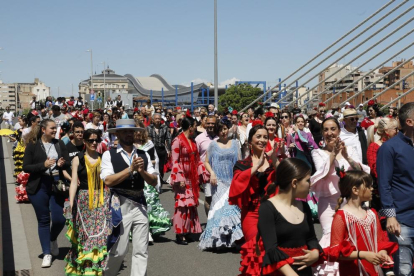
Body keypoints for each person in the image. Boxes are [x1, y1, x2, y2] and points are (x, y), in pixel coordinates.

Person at [311, 117, 370, 275]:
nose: (329, 133)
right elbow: (321, 174)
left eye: (333, 129)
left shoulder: (349, 150)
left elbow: (362, 172)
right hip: (328, 203)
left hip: (349, 203)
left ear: (339, 131)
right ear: (322, 133)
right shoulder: (317, 152)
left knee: (350, 239)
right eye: (326, 130)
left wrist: (346, 156)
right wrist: (333, 154)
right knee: (331, 236)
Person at [101, 119, 158, 276]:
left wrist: (141, 171)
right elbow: (108, 180)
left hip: (140, 203)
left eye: (131, 131)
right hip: (120, 204)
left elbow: (154, 181)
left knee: (141, 250)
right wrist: (130, 169)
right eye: (124, 131)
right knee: (119, 250)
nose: (128, 134)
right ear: (117, 134)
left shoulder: (143, 154)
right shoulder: (109, 154)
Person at [229, 124, 279, 275]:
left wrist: (275, 160)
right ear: (250, 141)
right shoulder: (242, 164)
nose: (263, 140)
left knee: (274, 253)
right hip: (251, 214)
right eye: (258, 136)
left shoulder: (272, 162)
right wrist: (255, 167)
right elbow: (236, 185)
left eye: (265, 137)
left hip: (272, 214)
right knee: (257, 249)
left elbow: (287, 180)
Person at [258, 158, 322, 276]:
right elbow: (271, 249)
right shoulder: (267, 208)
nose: (310, 184)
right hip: (281, 272)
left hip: (304, 271)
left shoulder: (304, 206)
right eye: (308, 180)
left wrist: (315, 252)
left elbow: (311, 238)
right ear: (294, 183)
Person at [328, 171, 397, 276]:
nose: (372, 189)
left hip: (374, 270)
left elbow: (380, 241)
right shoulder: (341, 217)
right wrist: (363, 255)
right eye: (368, 186)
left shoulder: (372, 213)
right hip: (353, 271)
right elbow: (336, 252)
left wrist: (382, 252)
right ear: (355, 190)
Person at [22, 119, 70, 268]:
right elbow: (26, 167)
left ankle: (52, 238)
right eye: (52, 128)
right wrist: (43, 165)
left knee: (59, 219)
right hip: (39, 186)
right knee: (43, 220)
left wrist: (62, 164)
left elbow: (67, 161)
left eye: (56, 128)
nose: (55, 130)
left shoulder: (59, 143)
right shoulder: (33, 145)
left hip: (56, 185)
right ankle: (47, 253)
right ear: (43, 129)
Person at [65, 129, 112, 275]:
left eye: (96, 140)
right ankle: (85, 268)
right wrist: (71, 203)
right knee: (85, 235)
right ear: (84, 141)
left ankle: (97, 269)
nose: (93, 143)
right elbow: (73, 182)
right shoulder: (77, 159)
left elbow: (109, 179)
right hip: (84, 201)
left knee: (101, 235)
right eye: (90, 140)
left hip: (101, 200)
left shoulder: (103, 157)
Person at [377, 102, 414, 276]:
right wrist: (390, 217)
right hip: (403, 219)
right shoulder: (389, 148)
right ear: (410, 122)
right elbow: (384, 184)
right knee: (404, 269)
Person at [198, 118, 242, 251]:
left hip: (231, 180)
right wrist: (211, 173)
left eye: (225, 129)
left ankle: (231, 239)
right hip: (217, 182)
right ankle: (217, 240)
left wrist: (239, 178)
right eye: (221, 129)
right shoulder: (213, 145)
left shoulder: (235, 143)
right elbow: (206, 161)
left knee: (231, 210)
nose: (223, 132)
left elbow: (240, 162)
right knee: (218, 210)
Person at [170, 115, 209, 245]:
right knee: (182, 206)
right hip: (182, 176)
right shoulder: (177, 140)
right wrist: (179, 177)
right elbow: (174, 161)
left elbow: (197, 160)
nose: (196, 128)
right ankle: (180, 234)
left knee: (191, 205)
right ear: (190, 127)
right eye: (194, 126)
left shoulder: (192, 141)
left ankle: (188, 231)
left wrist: (202, 173)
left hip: (191, 176)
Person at [135, 125, 171, 242]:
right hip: (134, 179)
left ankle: (150, 229)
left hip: (147, 178)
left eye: (140, 131)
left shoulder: (149, 145)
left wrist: (156, 181)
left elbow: (155, 161)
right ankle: (142, 231)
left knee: (149, 206)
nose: (138, 133)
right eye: (135, 130)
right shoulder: (128, 146)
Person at [195, 115, 218, 215]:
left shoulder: (221, 136)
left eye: (213, 123)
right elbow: (195, 157)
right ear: (204, 124)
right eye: (208, 123)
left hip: (220, 172)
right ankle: (210, 221)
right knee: (209, 197)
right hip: (206, 173)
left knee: (219, 197)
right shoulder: (199, 138)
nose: (210, 125)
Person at [147, 113, 171, 184]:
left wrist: (169, 149)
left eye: (159, 119)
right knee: (153, 167)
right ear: (153, 120)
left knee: (161, 167)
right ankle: (154, 181)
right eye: (156, 119)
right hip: (152, 150)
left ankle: (159, 181)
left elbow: (168, 138)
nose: (157, 120)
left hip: (161, 149)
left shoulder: (165, 128)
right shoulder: (149, 128)